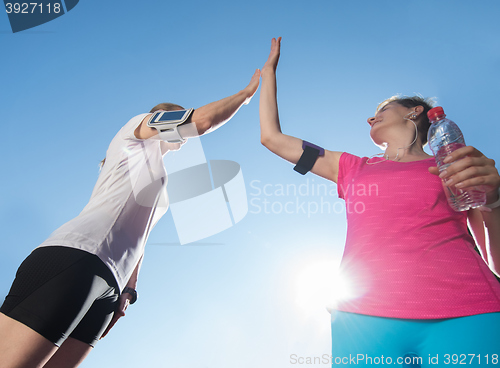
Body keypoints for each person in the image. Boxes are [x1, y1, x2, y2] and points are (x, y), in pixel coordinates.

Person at [259, 37, 500, 367]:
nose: (371, 119)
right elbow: (272, 138)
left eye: (381, 111)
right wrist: (269, 73)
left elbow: (496, 261)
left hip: (469, 312)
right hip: (364, 322)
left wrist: (495, 200)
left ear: (414, 112)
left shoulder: (452, 165)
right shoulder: (350, 167)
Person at [0, 68, 260, 368]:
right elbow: (200, 121)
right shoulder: (136, 129)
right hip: (77, 255)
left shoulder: (157, 174)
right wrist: (245, 94)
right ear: (163, 119)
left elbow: (141, 236)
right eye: (179, 117)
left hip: (109, 282)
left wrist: (128, 291)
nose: (184, 134)